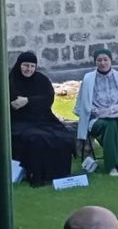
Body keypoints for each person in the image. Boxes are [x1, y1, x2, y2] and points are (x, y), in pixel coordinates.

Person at [9, 50, 76, 186]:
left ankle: (60, 175)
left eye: (32, 66)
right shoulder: (11, 81)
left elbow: (47, 99)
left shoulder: (41, 80)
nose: (29, 69)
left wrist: (28, 101)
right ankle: (36, 174)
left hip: (43, 119)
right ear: (19, 65)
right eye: (25, 65)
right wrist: (21, 103)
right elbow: (13, 103)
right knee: (36, 138)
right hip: (19, 122)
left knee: (62, 136)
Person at [73, 47, 118, 176]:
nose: (103, 63)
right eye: (99, 60)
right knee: (110, 124)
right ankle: (113, 167)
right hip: (98, 118)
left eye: (105, 60)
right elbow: (84, 105)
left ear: (111, 61)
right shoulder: (88, 79)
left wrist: (114, 110)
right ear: (95, 62)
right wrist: (101, 112)